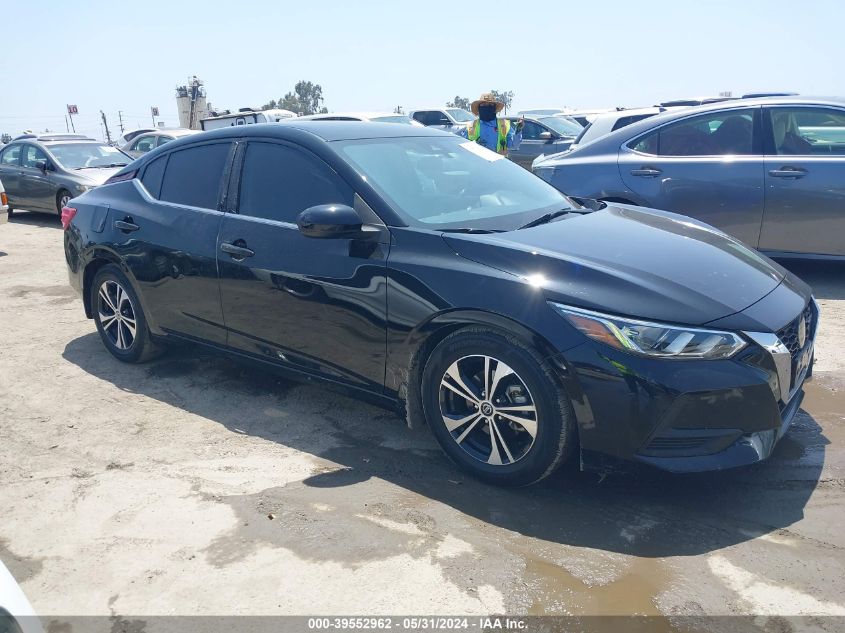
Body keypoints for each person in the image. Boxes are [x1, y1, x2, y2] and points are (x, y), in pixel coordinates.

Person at [458, 92, 524, 156]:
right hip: (478, 164)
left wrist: (518, 130)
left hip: (498, 164)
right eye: (483, 105)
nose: (487, 107)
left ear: (494, 108)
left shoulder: (504, 125)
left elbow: (514, 145)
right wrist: (475, 145)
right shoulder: (471, 126)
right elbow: (463, 148)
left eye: (490, 105)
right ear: (479, 108)